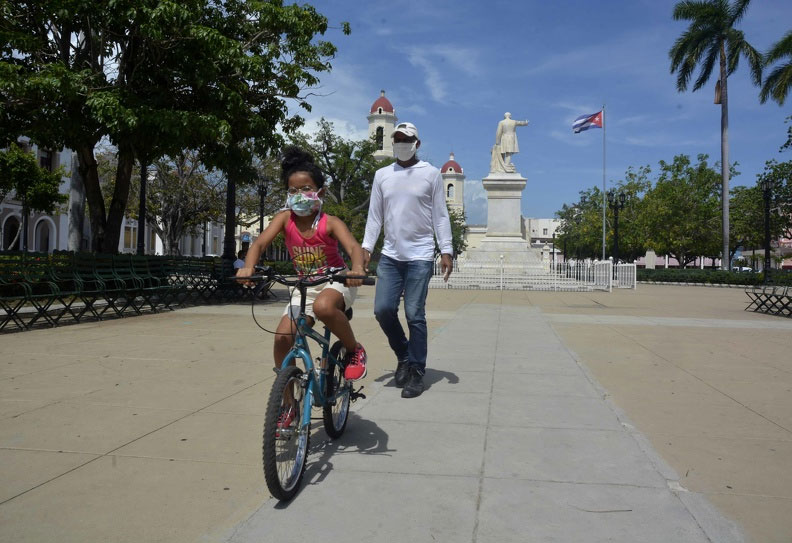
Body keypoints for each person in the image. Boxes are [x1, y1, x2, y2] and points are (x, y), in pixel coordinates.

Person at [237, 147, 369, 394]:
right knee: (282, 337)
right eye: (293, 190)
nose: (299, 195)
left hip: (335, 280)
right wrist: (248, 267)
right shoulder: (284, 219)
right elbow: (259, 244)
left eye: (306, 189)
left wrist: (357, 268)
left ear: (321, 192)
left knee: (323, 307)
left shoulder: (330, 222)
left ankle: (354, 349)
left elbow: (353, 247)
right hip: (305, 286)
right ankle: (287, 403)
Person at [362, 122, 453, 399]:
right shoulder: (382, 175)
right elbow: (375, 216)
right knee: (383, 310)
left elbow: (440, 215)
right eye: (398, 139)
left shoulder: (431, 174)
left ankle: (416, 371)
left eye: (406, 139)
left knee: (414, 314)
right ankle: (403, 354)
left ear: (417, 143)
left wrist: (446, 250)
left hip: (420, 255)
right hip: (391, 255)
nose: (401, 143)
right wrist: (366, 247)